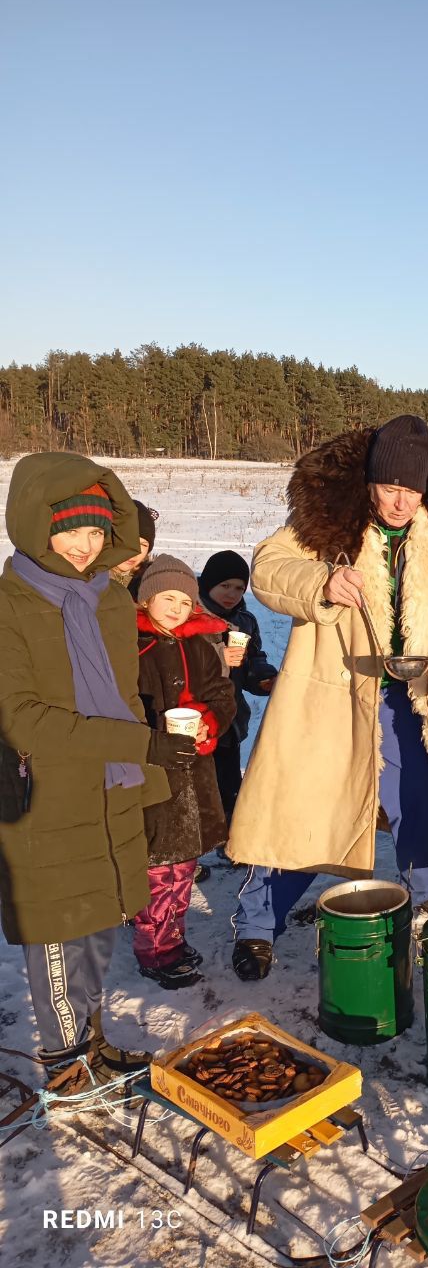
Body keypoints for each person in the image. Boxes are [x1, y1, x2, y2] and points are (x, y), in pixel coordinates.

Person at [226, 415, 428, 981]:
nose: (401, 502)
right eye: (391, 487)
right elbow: (270, 569)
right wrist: (320, 581)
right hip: (331, 693)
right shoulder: (329, 523)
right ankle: (256, 925)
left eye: (412, 489)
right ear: (372, 481)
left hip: (412, 696)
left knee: (419, 801)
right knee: (300, 806)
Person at [0, 454, 194, 1086]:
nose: (84, 547)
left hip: (110, 791)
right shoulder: (9, 605)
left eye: (94, 531)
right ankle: (64, 1062)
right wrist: (139, 746)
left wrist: (153, 779)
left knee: (101, 920)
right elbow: (23, 718)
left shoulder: (109, 600)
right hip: (46, 796)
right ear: (33, 524)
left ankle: (93, 1040)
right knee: (57, 932)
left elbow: (127, 697)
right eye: (68, 529)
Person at [132, 556, 236, 988]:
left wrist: (209, 721)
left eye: (183, 600)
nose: (175, 608)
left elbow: (222, 693)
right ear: (147, 598)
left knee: (183, 867)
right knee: (156, 870)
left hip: (196, 773)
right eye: (167, 598)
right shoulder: (130, 645)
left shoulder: (200, 644)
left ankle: (171, 936)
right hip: (151, 776)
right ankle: (154, 951)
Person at [198, 550, 278, 825]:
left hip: (229, 718)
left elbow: (254, 659)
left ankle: (230, 835)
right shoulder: (191, 615)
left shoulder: (244, 620)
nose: (231, 593)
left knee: (229, 783)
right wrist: (219, 656)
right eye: (225, 586)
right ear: (209, 584)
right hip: (196, 716)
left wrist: (264, 678)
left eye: (239, 588)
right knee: (197, 784)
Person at [110, 500, 157, 596]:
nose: (135, 551)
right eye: (128, 542)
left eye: (143, 545)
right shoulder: (89, 579)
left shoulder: (154, 580)